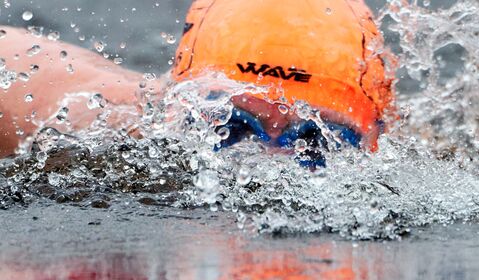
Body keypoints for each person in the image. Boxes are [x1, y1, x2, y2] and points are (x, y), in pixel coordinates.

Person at [0, 0, 393, 161]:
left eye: (314, 140)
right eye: (231, 127)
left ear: (374, 137)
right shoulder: (85, 121)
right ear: (177, 105)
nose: (270, 161)